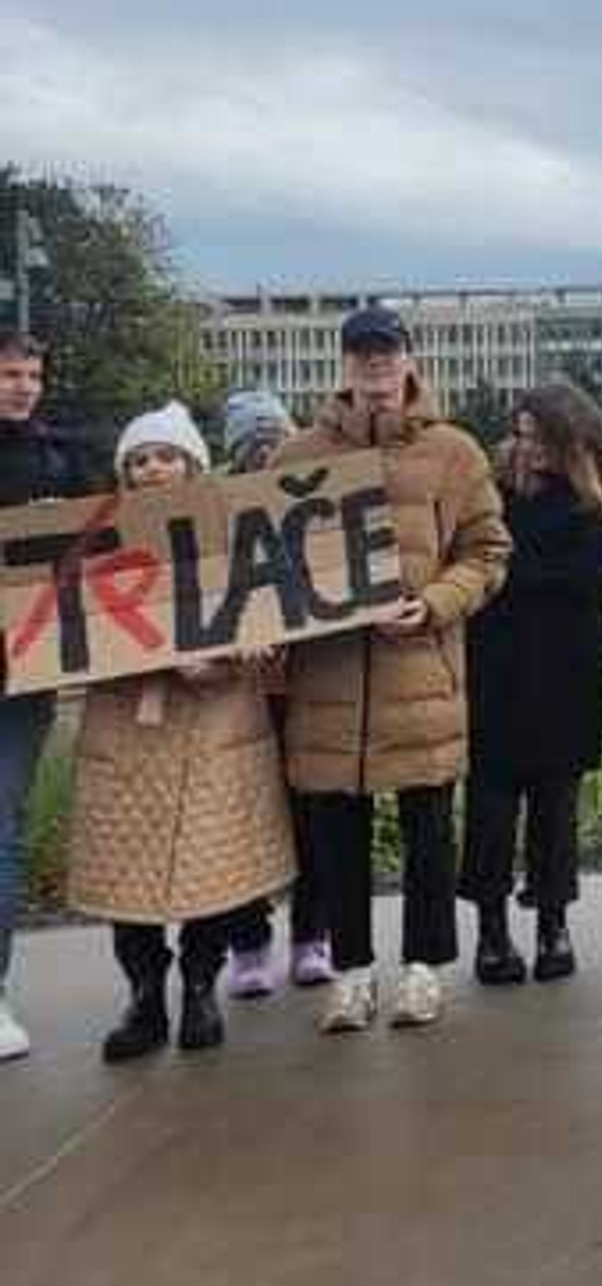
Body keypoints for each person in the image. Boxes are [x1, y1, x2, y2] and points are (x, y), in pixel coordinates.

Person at [276, 306, 511, 1034]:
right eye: (361, 354)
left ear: (409, 359)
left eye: (387, 353)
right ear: (342, 364)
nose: (375, 366)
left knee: (429, 831)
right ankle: (351, 973)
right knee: (336, 838)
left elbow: (487, 551)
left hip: (420, 674)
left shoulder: (455, 453)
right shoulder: (296, 454)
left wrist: (437, 603)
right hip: (329, 682)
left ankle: (422, 969)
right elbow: (268, 568)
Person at [66, 406, 297, 1062]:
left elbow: (279, 607)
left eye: (164, 456)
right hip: (128, 727)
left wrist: (240, 651)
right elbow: (72, 629)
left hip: (216, 723)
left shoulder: (236, 529)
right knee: (127, 874)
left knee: (211, 865)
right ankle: (144, 997)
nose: (152, 469)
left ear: (192, 463)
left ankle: (200, 987)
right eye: (138, 460)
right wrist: (165, 659)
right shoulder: (96, 540)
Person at [461, 383, 602, 986]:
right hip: (494, 664)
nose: (526, 446)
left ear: (572, 437)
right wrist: (501, 573)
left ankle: (552, 923)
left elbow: (587, 572)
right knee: (490, 806)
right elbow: (473, 556)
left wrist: (505, 572)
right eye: (521, 433)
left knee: (555, 807)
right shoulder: (492, 483)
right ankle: (490, 930)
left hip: (566, 668)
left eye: (540, 436)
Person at [214, 388, 335, 999]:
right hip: (234, 694)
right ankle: (248, 942)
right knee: (241, 819)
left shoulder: (313, 496)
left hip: (305, 686)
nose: (264, 450)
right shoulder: (211, 510)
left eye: (273, 438)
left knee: (312, 815)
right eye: (251, 442)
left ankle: (313, 934)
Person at [0, 329, 95, 1063]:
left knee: (1, 825)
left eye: (33, 373)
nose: (23, 386)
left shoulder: (62, 457)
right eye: (10, 373)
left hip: (18, 678)